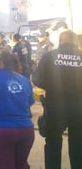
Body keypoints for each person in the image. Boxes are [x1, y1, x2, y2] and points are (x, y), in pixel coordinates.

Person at [32, 30, 82, 169]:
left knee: (53, 143)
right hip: (79, 109)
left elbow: (38, 79)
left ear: (60, 41)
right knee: (78, 144)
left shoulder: (49, 56)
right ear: (76, 42)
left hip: (55, 107)